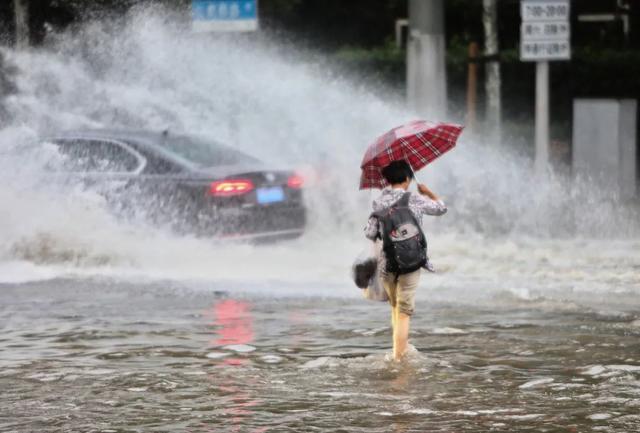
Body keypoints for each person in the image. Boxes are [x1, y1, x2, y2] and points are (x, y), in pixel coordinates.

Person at [364, 160, 447, 361]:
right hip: (411, 260)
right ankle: (399, 356)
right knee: (404, 311)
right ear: (408, 178)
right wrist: (429, 193)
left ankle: (398, 348)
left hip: (388, 262)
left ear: (387, 180)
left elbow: (370, 233)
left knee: (395, 307)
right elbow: (441, 209)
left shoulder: (379, 202)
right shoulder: (415, 199)